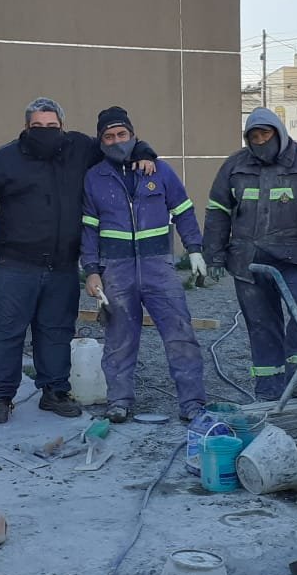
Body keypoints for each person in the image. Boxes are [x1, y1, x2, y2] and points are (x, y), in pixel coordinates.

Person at [0, 97, 157, 423]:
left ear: (62, 126)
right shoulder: (5, 158)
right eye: (37, 126)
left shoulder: (79, 148)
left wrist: (144, 153)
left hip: (62, 265)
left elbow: (115, 144)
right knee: (6, 332)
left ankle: (54, 392)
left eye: (51, 126)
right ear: (26, 127)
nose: (45, 131)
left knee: (56, 331)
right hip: (12, 265)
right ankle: (1, 398)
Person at [202, 107, 297, 402]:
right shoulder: (234, 166)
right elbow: (217, 212)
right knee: (261, 325)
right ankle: (268, 387)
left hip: (294, 259)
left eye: (265, 134)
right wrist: (213, 255)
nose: (260, 141)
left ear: (279, 133)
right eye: (253, 137)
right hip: (248, 262)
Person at [81, 106, 208, 424]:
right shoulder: (94, 178)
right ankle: (119, 401)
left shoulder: (159, 171)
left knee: (180, 335)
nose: (117, 141)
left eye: (122, 134)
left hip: (158, 268)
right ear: (101, 141)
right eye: (109, 137)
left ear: (133, 135)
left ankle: (192, 403)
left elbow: (183, 210)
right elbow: (89, 229)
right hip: (116, 271)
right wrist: (92, 271)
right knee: (119, 340)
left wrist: (194, 249)